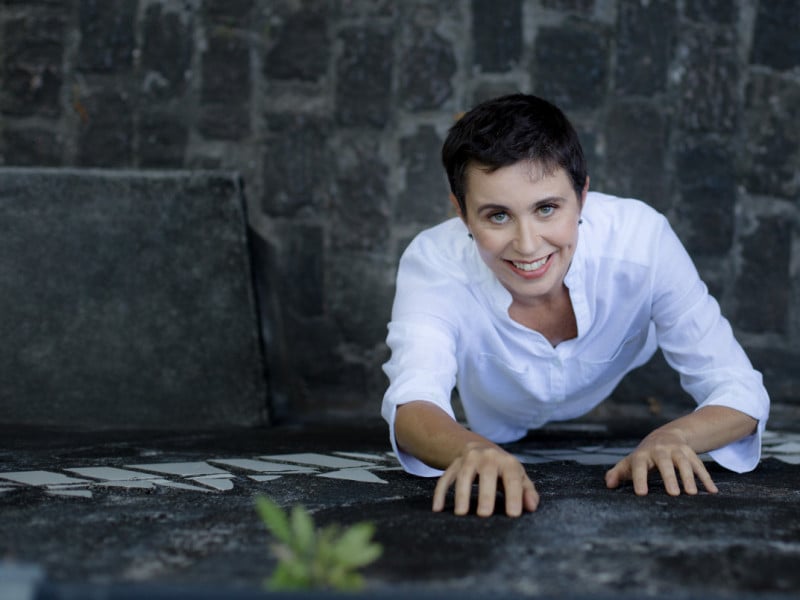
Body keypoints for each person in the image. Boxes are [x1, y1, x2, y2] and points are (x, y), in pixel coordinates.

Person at [380, 93, 770, 518]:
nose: (527, 245)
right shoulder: (433, 261)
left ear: (583, 196)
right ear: (461, 213)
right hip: (494, 418)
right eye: (497, 216)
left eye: (547, 208)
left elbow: (739, 388)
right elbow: (412, 400)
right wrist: (471, 449)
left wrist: (674, 438)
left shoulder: (643, 241)